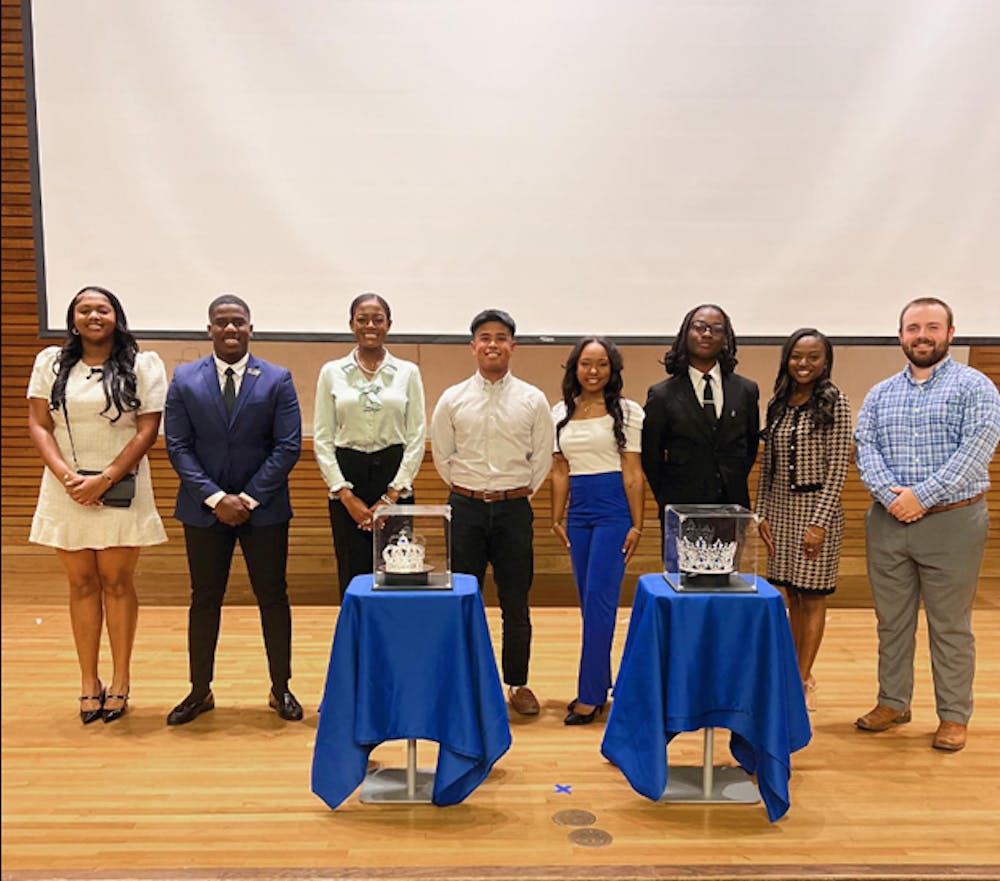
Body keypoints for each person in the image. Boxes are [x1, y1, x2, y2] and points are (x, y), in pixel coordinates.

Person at [854, 297, 1000, 751]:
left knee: (950, 625)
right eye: (913, 328)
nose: (922, 335)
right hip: (888, 522)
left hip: (953, 522)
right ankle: (893, 701)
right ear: (901, 336)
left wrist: (922, 497)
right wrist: (891, 497)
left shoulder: (976, 388)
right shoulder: (880, 394)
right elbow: (866, 447)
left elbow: (976, 448)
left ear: (950, 334)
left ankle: (954, 715)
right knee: (891, 621)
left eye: (932, 327)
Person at [27, 286, 167, 724]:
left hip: (121, 484)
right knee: (82, 583)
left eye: (102, 309)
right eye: (84, 310)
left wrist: (106, 478)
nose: (93, 316)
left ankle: (121, 680)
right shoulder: (49, 362)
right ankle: (89, 682)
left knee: (117, 582)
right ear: (73, 319)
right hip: (65, 487)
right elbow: (38, 423)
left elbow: (147, 430)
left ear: (116, 317)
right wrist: (68, 477)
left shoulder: (143, 364)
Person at [163, 294, 303, 725]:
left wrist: (247, 498)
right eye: (221, 322)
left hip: (264, 510)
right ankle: (199, 691)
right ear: (209, 329)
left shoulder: (277, 379)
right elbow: (178, 446)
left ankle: (281, 689)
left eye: (238, 322)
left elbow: (288, 446)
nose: (230, 329)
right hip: (204, 512)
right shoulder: (184, 379)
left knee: (273, 598)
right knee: (205, 600)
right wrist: (215, 498)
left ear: (250, 328)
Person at [430, 308, 554, 716]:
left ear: (512, 346)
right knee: (462, 600)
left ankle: (517, 683)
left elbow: (541, 462)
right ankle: (462, 680)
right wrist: (469, 491)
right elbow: (443, 458)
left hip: (514, 509)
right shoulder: (452, 398)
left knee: (515, 602)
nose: (493, 344)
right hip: (464, 507)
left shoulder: (533, 400)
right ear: (473, 346)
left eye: (501, 337)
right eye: (485, 337)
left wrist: (515, 495)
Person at [550, 337, 645, 725]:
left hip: (613, 512)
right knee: (589, 605)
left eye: (602, 364)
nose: (593, 371)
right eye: (586, 364)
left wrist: (637, 524)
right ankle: (600, 682)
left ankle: (590, 695)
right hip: (579, 514)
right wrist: (557, 517)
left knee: (600, 601)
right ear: (575, 368)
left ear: (612, 369)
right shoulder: (560, 412)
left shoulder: (627, 411)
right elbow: (559, 470)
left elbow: (633, 472)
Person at [756, 329, 851, 710]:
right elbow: (767, 466)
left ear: (825, 361)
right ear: (787, 359)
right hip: (779, 510)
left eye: (813, 357)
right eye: (797, 356)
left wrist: (820, 523)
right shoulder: (778, 402)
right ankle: (793, 671)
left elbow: (839, 466)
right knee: (789, 593)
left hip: (816, 510)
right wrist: (761, 511)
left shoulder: (835, 402)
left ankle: (802, 679)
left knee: (811, 597)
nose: (804, 364)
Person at [314, 293, 426, 599]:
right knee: (352, 575)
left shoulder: (407, 372)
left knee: (397, 571)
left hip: (393, 477)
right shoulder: (331, 372)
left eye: (378, 319)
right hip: (347, 477)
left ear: (389, 324)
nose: (370, 325)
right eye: (362, 319)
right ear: (351, 324)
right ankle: (357, 645)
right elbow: (323, 438)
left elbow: (416, 435)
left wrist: (392, 496)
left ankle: (394, 644)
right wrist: (345, 494)